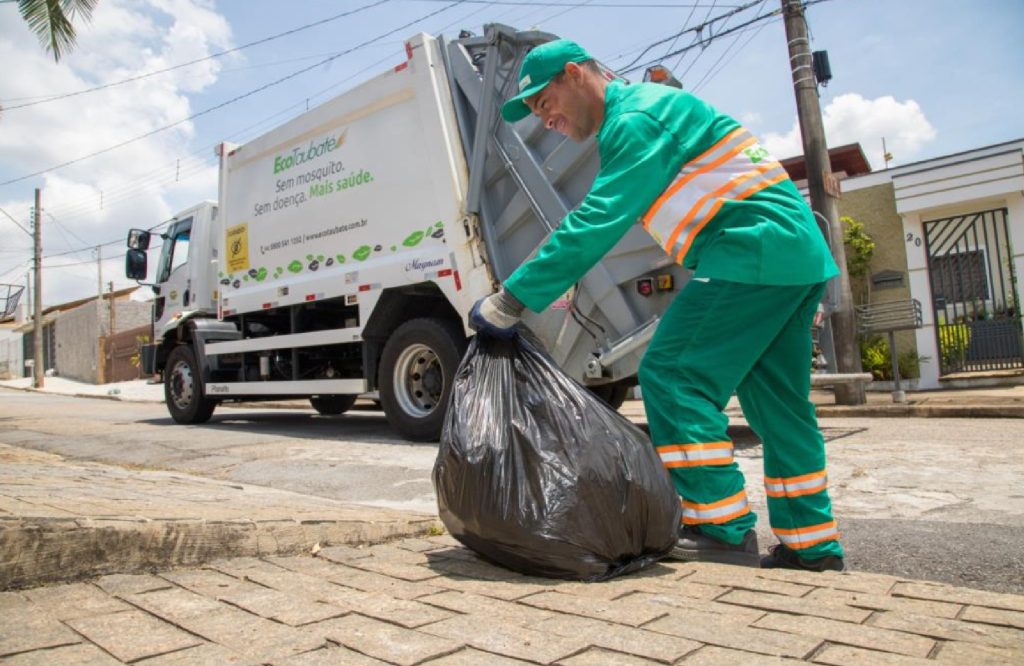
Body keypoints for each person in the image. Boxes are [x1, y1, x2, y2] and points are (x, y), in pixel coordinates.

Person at [470, 39, 844, 571]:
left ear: (574, 74)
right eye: (534, 112)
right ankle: (814, 548)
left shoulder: (635, 118)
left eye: (542, 102)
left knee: (673, 375)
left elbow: (597, 218)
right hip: (793, 256)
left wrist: (511, 300)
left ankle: (718, 527)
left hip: (752, 249)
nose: (543, 118)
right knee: (781, 409)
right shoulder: (649, 113)